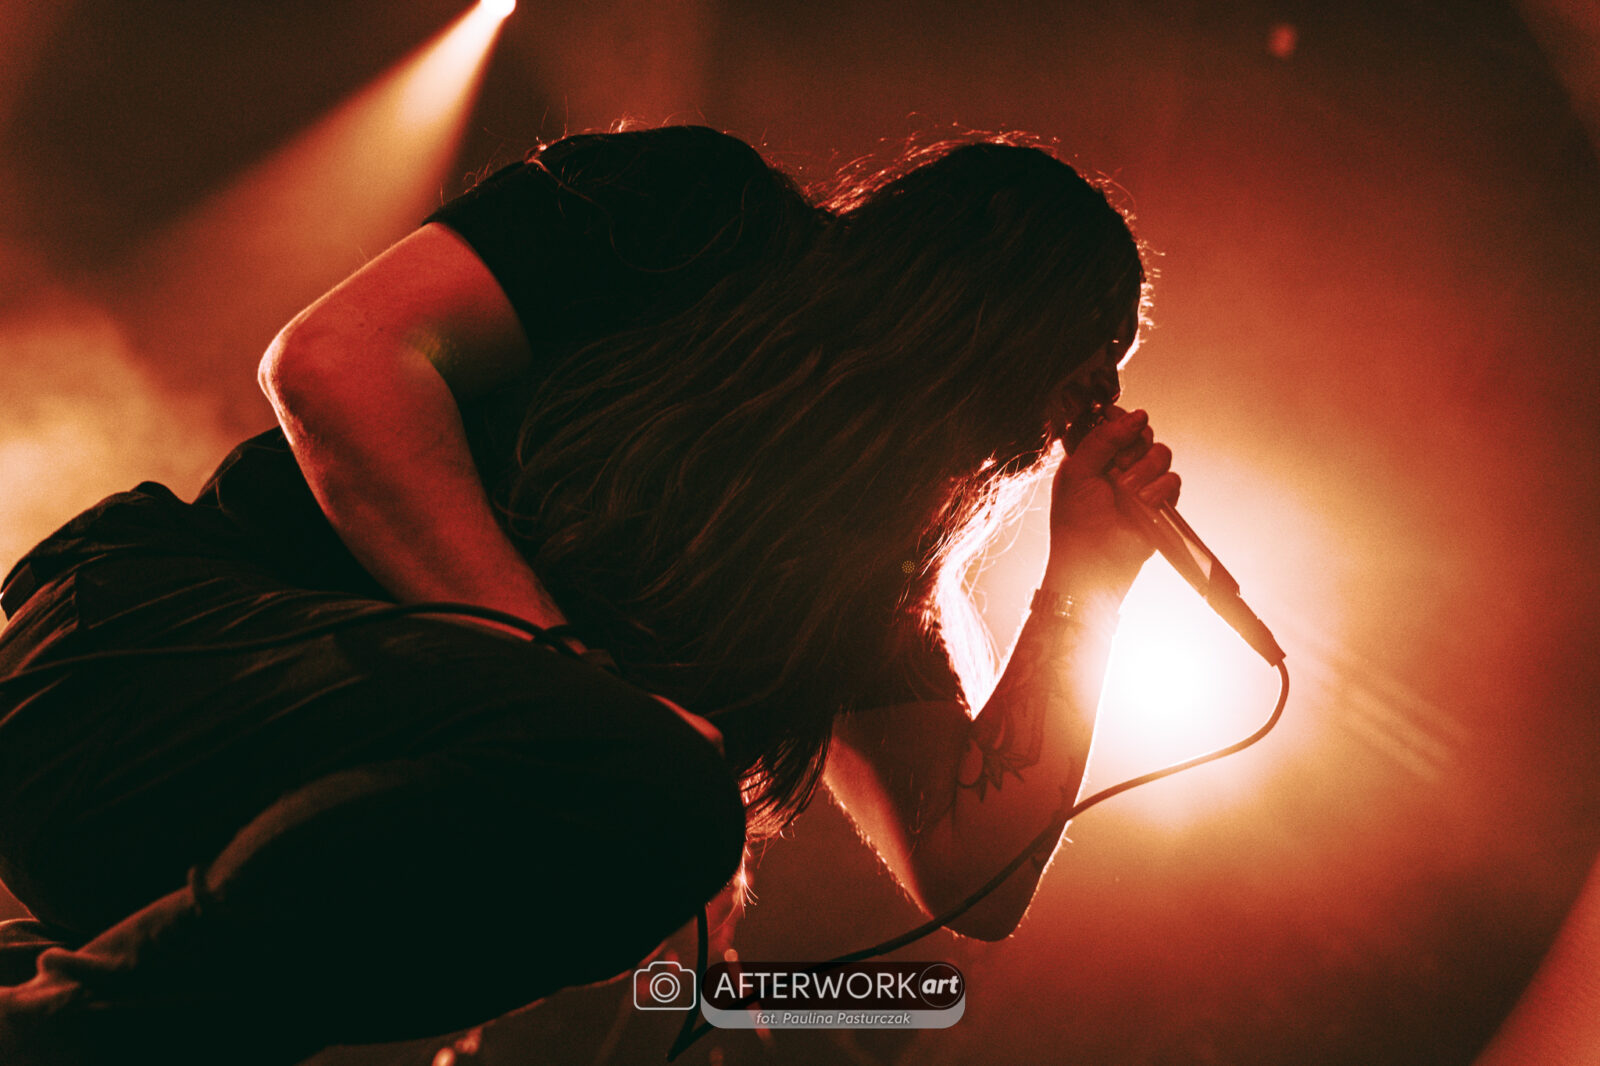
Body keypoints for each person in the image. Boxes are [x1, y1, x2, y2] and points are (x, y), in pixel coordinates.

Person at [0, 123, 1177, 1063]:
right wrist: (564, 674)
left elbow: (972, 879)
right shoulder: (697, 211)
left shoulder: (859, 583)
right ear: (993, 315)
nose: (1047, 440)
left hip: (186, 850)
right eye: (1075, 385)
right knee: (657, 792)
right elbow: (334, 359)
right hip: (127, 665)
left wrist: (1085, 586)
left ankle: (70, 994)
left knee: (643, 851)